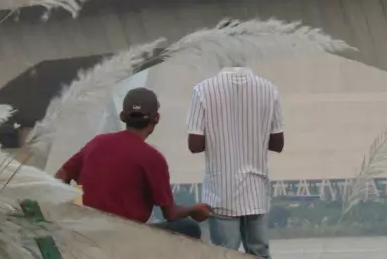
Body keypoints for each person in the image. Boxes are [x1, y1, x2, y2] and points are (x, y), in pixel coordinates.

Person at [55, 87, 211, 239]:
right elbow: (171, 214)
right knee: (188, 228)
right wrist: (194, 209)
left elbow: (61, 175)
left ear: (123, 116)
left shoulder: (97, 142)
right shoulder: (153, 158)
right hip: (124, 236)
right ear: (156, 118)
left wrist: (77, 206)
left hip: (84, 229)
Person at [187, 66, 284, 257]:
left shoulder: (202, 90)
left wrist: (221, 136)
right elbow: (277, 143)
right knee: (259, 252)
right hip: (256, 191)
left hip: (221, 191)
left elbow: (195, 144)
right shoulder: (269, 89)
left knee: (225, 253)